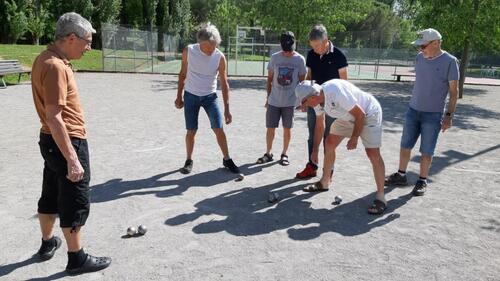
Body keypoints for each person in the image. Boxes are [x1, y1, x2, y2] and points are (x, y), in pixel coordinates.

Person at [31, 12, 111, 274]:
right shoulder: (54, 65)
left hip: (50, 140)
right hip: (67, 140)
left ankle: (47, 243)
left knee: (51, 193)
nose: (89, 47)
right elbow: (55, 116)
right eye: (87, 41)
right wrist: (73, 159)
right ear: (71, 38)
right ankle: (76, 258)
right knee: (73, 198)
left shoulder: (45, 58)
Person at [385, 28, 459, 196]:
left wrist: (449, 116)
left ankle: (422, 180)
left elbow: (454, 93)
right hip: (413, 110)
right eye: (419, 47)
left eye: (423, 46)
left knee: (427, 150)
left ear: (436, 43)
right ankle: (401, 175)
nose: (420, 50)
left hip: (433, 115)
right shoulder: (420, 58)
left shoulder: (450, 61)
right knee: (405, 145)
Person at [296, 79, 387, 215]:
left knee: (372, 153)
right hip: (347, 116)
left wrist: (354, 137)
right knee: (330, 142)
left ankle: (381, 197)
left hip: (368, 113)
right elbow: (320, 126)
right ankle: (324, 182)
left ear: (312, 97)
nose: (303, 106)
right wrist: (314, 151)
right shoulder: (316, 100)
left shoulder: (335, 92)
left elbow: (360, 114)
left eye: (304, 102)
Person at [175, 23, 240, 175]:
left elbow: (224, 83)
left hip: (210, 97)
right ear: (199, 43)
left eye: (213, 46)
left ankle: (227, 159)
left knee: (218, 128)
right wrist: (179, 96)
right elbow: (182, 74)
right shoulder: (189, 51)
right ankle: (188, 160)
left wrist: (227, 109)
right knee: (191, 130)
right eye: (208, 47)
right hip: (191, 95)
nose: (211, 50)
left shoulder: (219, 57)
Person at [296, 24, 348, 179]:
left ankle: (328, 171)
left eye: (318, 46)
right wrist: (305, 99)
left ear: (327, 40)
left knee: (329, 137)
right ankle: (312, 165)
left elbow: (345, 82)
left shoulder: (339, 55)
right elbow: (309, 78)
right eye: (313, 46)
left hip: (333, 102)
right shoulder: (311, 55)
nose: (316, 49)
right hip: (314, 99)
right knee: (313, 133)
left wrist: (343, 104)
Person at [256, 31, 306, 166]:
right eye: (285, 49)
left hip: (290, 102)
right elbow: (270, 79)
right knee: (270, 128)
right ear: (281, 45)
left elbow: (302, 83)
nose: (287, 53)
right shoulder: (274, 58)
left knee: (287, 128)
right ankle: (268, 153)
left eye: (290, 50)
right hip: (274, 101)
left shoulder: (300, 60)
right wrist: (268, 97)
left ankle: (284, 154)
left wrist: (302, 101)